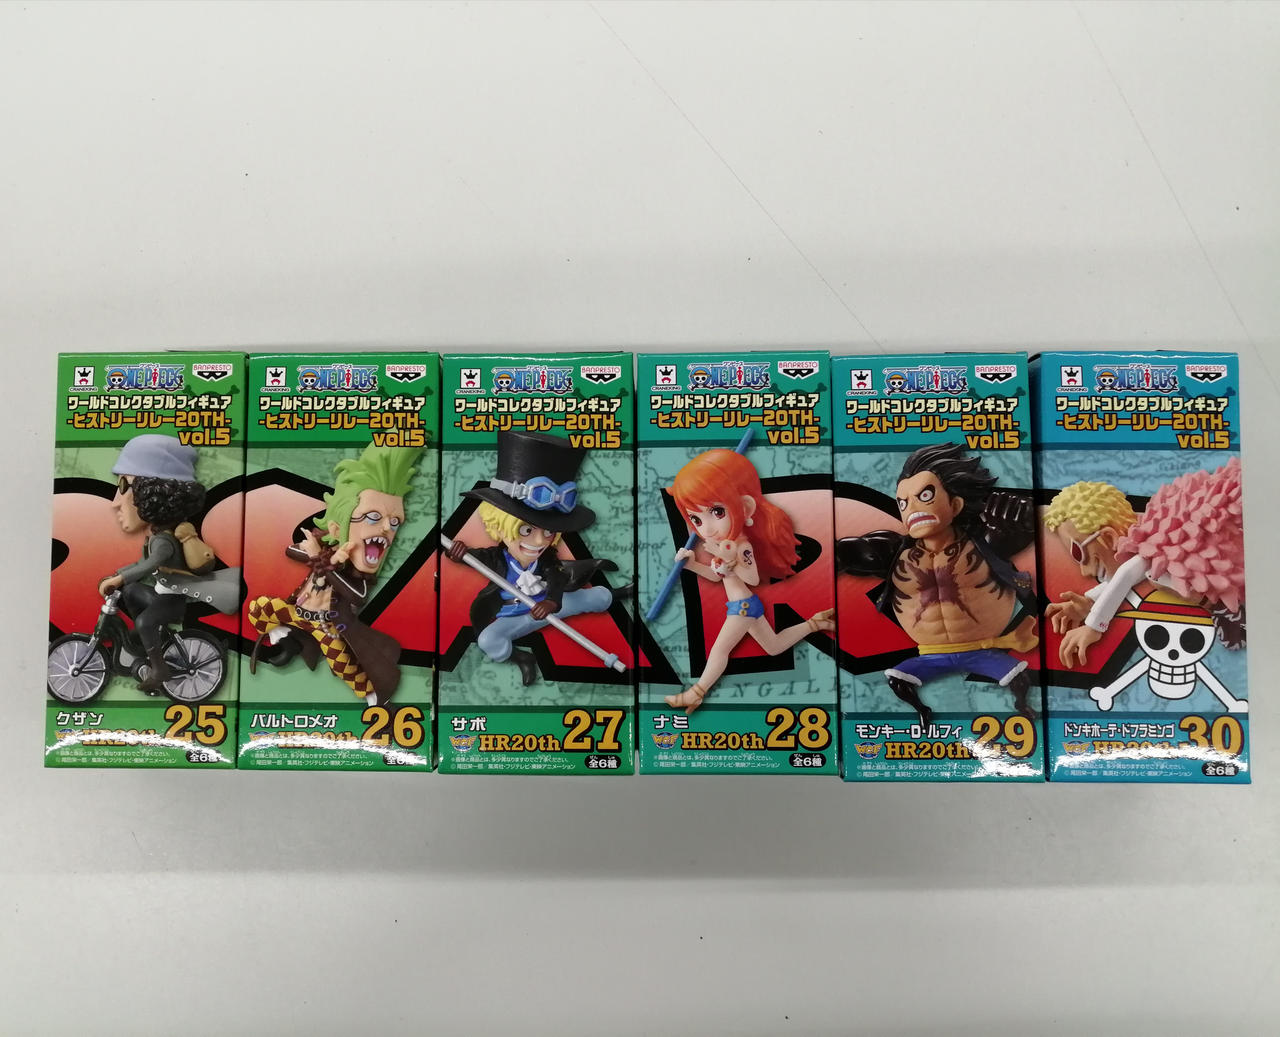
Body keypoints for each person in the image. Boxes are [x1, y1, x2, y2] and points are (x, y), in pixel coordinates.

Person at [836, 443, 1037, 728]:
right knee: (897, 678)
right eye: (903, 502)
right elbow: (845, 554)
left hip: (983, 649)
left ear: (955, 504)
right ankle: (922, 711)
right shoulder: (893, 554)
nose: (912, 509)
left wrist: (1020, 520)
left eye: (925, 496)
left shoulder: (985, 544)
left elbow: (1014, 529)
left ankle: (1022, 706)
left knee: (1018, 679)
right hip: (930, 654)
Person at [445, 430, 626, 686]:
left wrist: (552, 602)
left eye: (549, 532)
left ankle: (617, 594)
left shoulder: (547, 559)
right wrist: (456, 553)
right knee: (488, 640)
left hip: (551, 606)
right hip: (516, 617)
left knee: (593, 597)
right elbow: (471, 557)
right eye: (527, 531)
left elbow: (557, 577)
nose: (540, 541)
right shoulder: (496, 558)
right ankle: (522, 658)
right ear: (499, 526)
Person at [248, 443, 421, 707]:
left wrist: (326, 564)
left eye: (395, 521)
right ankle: (285, 637)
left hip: (325, 626)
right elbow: (292, 550)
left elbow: (357, 596)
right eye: (373, 517)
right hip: (296, 613)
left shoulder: (353, 572)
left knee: (343, 667)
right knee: (259, 608)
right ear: (337, 528)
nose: (388, 528)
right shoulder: (325, 550)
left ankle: (374, 698)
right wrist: (321, 557)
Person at [664, 449, 834, 714]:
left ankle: (695, 693)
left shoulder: (740, 546)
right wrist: (693, 565)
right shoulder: (726, 545)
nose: (706, 528)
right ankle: (815, 623)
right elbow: (716, 576)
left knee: (719, 651)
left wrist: (730, 562)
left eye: (717, 512)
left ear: (744, 508)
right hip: (743, 606)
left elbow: (752, 578)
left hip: (742, 607)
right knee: (774, 647)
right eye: (696, 518)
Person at [97, 434, 239, 692]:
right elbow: (140, 563)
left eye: (124, 485)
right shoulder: (156, 536)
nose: (116, 502)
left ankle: (160, 668)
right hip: (162, 593)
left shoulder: (164, 541)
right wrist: (120, 576)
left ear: (150, 493)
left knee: (144, 621)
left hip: (172, 599)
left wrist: (119, 578)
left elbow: (149, 565)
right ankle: (150, 639)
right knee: (131, 591)